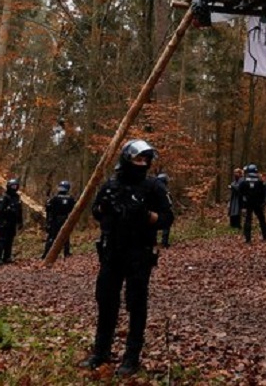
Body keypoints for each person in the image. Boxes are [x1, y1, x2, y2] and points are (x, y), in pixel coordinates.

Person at [80, 139, 173, 377]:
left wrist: (145, 215)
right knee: (106, 300)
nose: (142, 163)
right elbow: (96, 212)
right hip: (112, 252)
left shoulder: (153, 187)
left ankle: (131, 357)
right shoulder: (111, 184)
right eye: (138, 159)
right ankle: (101, 352)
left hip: (139, 254)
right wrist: (104, 209)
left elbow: (167, 218)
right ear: (127, 159)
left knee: (136, 303)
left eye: (145, 160)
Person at [42, 180, 76, 259]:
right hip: (65, 219)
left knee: (52, 236)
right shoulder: (71, 199)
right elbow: (74, 209)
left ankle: (46, 253)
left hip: (55, 220)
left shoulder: (54, 198)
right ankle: (66, 253)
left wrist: (48, 221)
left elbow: (48, 209)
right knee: (65, 237)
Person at [0, 178, 23, 265]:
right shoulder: (4, 197)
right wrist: (7, 211)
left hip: (12, 222)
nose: (14, 188)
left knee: (10, 240)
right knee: (2, 240)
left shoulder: (17, 197)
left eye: (15, 186)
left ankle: (7, 256)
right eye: (12, 186)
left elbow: (19, 210)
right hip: (4, 222)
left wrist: (20, 221)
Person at [240, 164, 266, 243]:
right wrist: (262, 202)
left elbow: (240, 191)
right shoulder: (260, 181)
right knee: (262, 219)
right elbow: (263, 192)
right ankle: (265, 236)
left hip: (248, 203)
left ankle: (248, 239)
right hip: (258, 203)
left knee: (248, 220)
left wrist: (244, 201)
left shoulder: (244, 181)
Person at [156, 174, 173, 248]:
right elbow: (169, 201)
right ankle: (164, 243)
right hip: (163, 211)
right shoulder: (164, 189)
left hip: (152, 211)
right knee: (166, 225)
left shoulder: (152, 186)